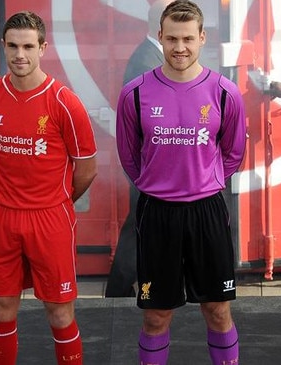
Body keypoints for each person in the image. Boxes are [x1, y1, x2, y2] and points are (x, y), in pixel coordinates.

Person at [116, 1, 247, 364]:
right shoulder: (135, 93)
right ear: (159, 37)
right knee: (156, 316)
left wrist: (203, 182)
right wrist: (159, 184)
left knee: (217, 310)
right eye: (172, 38)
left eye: (188, 38)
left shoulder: (224, 92)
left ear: (202, 38)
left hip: (207, 213)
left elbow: (233, 154)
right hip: (157, 214)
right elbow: (129, 156)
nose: (180, 47)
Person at [0, 11, 98, 365]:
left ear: (43, 47)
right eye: (12, 46)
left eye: (28, 46)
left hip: (50, 218)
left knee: (59, 313)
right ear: (3, 46)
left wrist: (56, 200)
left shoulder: (64, 102)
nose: (19, 55)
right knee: (0, 308)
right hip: (1, 216)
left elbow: (87, 169)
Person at [106, 0, 173, 298]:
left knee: (139, 225)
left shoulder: (150, 56)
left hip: (152, 163)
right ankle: (121, 287)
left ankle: (121, 288)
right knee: (140, 227)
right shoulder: (145, 62)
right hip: (149, 164)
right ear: (160, 29)